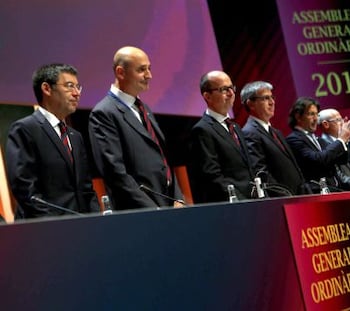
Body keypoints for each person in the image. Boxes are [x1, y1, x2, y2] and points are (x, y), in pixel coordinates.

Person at [88, 46, 183, 210]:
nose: (149, 75)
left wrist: (178, 199)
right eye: (141, 70)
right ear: (120, 72)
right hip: (140, 212)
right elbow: (115, 173)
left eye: (149, 69)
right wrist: (152, 209)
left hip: (168, 205)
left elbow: (162, 158)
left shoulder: (143, 108)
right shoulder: (104, 113)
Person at [6, 63, 100, 218]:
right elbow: (25, 189)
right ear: (46, 88)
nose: (76, 93)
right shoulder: (24, 129)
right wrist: (54, 224)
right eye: (70, 86)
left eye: (78, 87)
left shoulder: (76, 136)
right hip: (46, 229)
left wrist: (96, 219)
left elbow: (87, 188)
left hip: (83, 227)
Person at [187, 70, 255, 203]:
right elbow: (212, 176)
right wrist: (240, 201)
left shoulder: (235, 127)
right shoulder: (202, 130)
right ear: (207, 96)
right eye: (224, 89)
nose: (231, 93)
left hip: (253, 201)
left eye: (231, 88)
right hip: (232, 205)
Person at [240, 81, 308, 196]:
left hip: (300, 195)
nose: (272, 102)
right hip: (283, 200)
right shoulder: (249, 133)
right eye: (266, 98)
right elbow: (261, 172)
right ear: (251, 104)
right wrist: (284, 195)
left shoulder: (276, 132)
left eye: (272, 97)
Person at [285, 97, 350, 193]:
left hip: (334, 190)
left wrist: (345, 139)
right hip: (317, 193)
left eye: (317, 115)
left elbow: (342, 160)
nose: (316, 119)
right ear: (298, 116)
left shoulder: (317, 139)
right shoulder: (294, 139)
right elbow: (318, 159)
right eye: (311, 114)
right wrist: (341, 139)